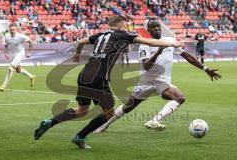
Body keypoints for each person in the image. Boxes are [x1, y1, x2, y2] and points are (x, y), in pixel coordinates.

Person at [34, 15, 184, 149]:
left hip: (84, 74)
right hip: (99, 78)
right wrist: (173, 44)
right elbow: (150, 42)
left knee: (82, 110)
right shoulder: (122, 34)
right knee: (109, 113)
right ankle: (79, 136)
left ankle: (49, 122)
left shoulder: (100, 35)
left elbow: (80, 41)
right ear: (120, 25)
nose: (126, 28)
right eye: (125, 25)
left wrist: (78, 54)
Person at [94, 18, 221, 133]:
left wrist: (205, 68)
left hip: (162, 82)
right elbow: (146, 66)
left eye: (158, 26)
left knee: (179, 97)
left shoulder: (170, 41)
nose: (157, 28)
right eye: (153, 27)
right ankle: (104, 125)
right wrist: (158, 52)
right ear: (148, 30)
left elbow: (187, 56)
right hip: (146, 82)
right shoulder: (145, 45)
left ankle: (154, 121)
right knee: (128, 107)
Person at [0, 23, 36, 91]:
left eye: (13, 29)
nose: (12, 31)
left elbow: (31, 42)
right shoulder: (7, 36)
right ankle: (31, 76)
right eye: (11, 30)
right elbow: (6, 44)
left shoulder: (21, 36)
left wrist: (29, 52)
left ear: (16, 29)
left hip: (20, 53)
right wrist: (6, 52)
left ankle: (3, 86)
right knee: (18, 70)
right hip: (13, 54)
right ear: (9, 30)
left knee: (10, 68)